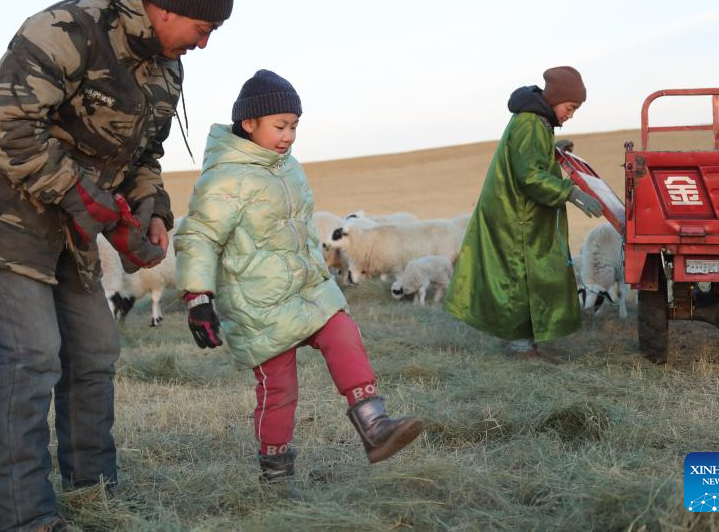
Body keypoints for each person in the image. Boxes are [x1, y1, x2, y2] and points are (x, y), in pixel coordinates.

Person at [0, 0, 233, 531]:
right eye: (203, 27)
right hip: (0, 212)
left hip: (72, 225)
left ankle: (94, 492)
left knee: (95, 349)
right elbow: (8, 126)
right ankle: (27, 517)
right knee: (34, 354)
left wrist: (151, 211)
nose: (205, 43)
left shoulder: (167, 68)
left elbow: (146, 154)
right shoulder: (67, 28)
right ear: (167, 8)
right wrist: (84, 196)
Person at [174, 70, 424, 482]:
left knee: (343, 332)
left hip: (309, 289)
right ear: (249, 123)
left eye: (294, 126)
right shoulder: (223, 178)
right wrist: (198, 297)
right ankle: (276, 475)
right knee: (279, 391)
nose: (289, 135)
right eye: (280, 126)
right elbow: (198, 236)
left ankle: (375, 425)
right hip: (259, 304)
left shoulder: (289, 168)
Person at [444, 66, 603, 360]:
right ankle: (521, 347)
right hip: (517, 217)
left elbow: (529, 159)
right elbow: (529, 175)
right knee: (522, 277)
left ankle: (525, 343)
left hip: (520, 214)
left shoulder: (536, 121)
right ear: (555, 99)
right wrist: (570, 192)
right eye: (570, 107)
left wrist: (552, 150)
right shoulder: (530, 123)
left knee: (527, 277)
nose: (571, 115)